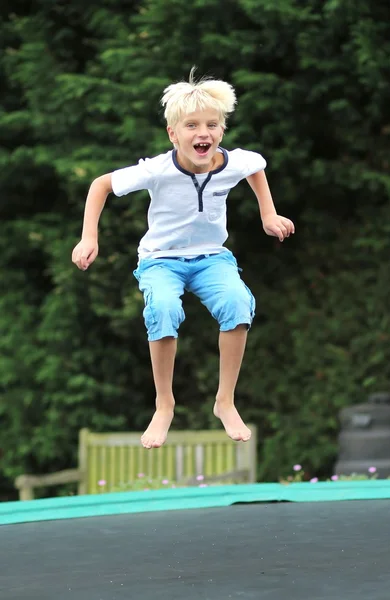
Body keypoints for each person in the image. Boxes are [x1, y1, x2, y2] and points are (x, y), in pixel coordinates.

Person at [72, 68, 295, 449]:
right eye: (191, 126)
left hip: (212, 258)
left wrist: (268, 214)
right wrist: (88, 236)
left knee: (238, 303)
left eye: (211, 125)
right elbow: (101, 185)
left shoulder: (235, 162)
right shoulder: (157, 170)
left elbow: (256, 168)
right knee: (162, 308)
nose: (202, 133)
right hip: (161, 260)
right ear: (173, 134)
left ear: (221, 131)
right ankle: (164, 405)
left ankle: (225, 401)